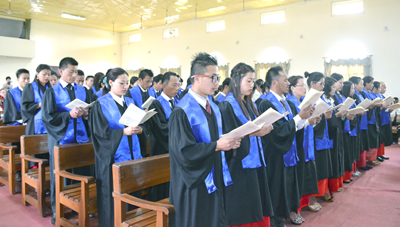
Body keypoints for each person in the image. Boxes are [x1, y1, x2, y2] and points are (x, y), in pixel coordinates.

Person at [169, 52, 241, 227]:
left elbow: (215, 141)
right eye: (213, 78)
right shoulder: (182, 111)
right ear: (197, 78)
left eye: (218, 77)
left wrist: (229, 144)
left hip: (214, 175)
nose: (217, 83)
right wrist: (217, 146)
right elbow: (184, 152)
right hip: (193, 182)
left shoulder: (213, 107)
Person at [42, 57, 96, 225]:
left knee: (81, 173)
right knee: (58, 176)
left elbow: (92, 110)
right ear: (60, 72)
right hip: (61, 140)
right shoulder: (51, 91)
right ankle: (57, 211)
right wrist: (68, 115)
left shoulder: (83, 90)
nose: (74, 75)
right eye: (71, 71)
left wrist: (87, 114)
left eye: (76, 72)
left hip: (81, 139)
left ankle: (79, 206)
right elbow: (48, 117)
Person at [219, 63, 273, 227]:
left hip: (255, 162)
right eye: (248, 81)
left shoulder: (250, 104)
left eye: (253, 82)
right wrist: (253, 133)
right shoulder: (226, 105)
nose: (252, 86)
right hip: (238, 164)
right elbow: (228, 135)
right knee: (242, 208)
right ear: (235, 81)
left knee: (257, 203)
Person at [258, 66, 313, 227]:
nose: (289, 83)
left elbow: (293, 127)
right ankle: (275, 221)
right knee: (276, 189)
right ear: (275, 82)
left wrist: (305, 117)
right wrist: (298, 118)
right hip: (275, 155)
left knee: (287, 187)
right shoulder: (266, 103)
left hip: (289, 153)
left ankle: (282, 217)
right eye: (286, 80)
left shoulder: (286, 102)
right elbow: (278, 132)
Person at [89, 68, 143, 227]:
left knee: (132, 193)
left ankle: (132, 222)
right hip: (111, 158)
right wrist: (123, 132)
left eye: (127, 83)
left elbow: (135, 126)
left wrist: (139, 130)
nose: (126, 86)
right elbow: (100, 135)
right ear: (110, 82)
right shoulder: (100, 104)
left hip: (132, 156)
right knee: (112, 197)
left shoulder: (130, 102)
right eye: (122, 83)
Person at [286, 75, 319, 224]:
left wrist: (312, 120)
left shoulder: (300, 101)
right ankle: (292, 210)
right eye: (301, 85)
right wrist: (307, 122)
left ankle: (298, 207)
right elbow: (292, 126)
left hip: (302, 145)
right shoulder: (290, 102)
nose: (304, 88)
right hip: (293, 146)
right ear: (292, 88)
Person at [146, 72, 180, 202]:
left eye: (178, 85)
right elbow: (161, 129)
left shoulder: (178, 101)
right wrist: (181, 128)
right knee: (162, 183)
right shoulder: (156, 104)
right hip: (162, 147)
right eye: (174, 85)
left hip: (175, 148)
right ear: (164, 85)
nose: (177, 88)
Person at [305, 72, 332, 212]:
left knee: (322, 165)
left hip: (321, 134)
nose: (323, 86)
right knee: (313, 168)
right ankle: (311, 197)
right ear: (312, 83)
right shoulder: (308, 98)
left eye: (323, 83)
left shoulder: (319, 97)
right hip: (311, 137)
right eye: (320, 83)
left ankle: (322, 191)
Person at [322, 77, 347, 200]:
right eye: (332, 87)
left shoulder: (332, 98)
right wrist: (336, 115)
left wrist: (341, 115)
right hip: (327, 133)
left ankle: (334, 185)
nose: (335, 89)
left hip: (335, 131)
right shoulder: (321, 99)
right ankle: (325, 189)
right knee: (329, 160)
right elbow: (324, 117)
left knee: (335, 157)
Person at [21, 64, 51, 135]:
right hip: (34, 122)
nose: (47, 76)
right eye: (44, 74)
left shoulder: (51, 88)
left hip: (49, 122)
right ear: (37, 74)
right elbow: (25, 107)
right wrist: (40, 105)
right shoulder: (30, 87)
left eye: (49, 74)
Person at [362, 76, 381, 165]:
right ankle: (370, 159)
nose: (372, 85)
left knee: (373, 139)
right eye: (371, 83)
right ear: (366, 83)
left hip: (373, 119)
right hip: (367, 120)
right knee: (371, 139)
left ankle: (372, 158)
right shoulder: (363, 93)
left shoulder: (368, 93)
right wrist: (373, 104)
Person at [376, 81, 391, 160]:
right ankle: (377, 154)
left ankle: (381, 153)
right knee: (379, 138)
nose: (385, 89)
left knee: (382, 138)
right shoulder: (376, 96)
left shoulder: (382, 96)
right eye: (383, 87)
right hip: (379, 119)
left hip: (384, 119)